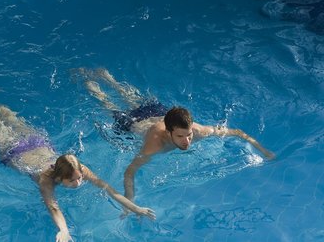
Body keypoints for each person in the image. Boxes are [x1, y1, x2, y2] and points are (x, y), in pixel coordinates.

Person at [0, 93, 155, 242]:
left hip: (36, 142)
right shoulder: (46, 179)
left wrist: (135, 208)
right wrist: (64, 229)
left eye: (79, 178)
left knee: (10, 117)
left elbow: (109, 189)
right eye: (72, 181)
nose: (79, 183)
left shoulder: (79, 169)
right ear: (59, 178)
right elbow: (53, 207)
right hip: (13, 151)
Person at [78, 68, 275, 201]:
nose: (187, 141)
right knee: (109, 105)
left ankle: (108, 77)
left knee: (130, 96)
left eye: (188, 135)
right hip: (135, 123)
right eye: (180, 137)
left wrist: (264, 151)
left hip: (159, 112)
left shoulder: (198, 131)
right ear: (169, 131)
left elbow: (237, 133)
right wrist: (130, 200)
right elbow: (130, 171)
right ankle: (92, 84)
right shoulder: (155, 143)